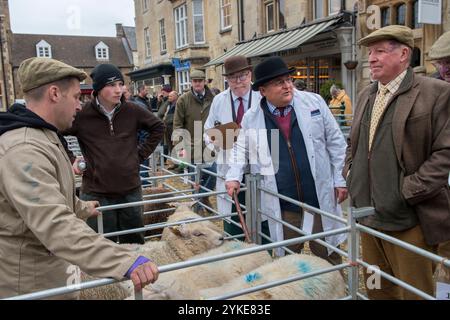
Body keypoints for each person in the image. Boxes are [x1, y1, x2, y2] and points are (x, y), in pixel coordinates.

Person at [0, 57, 159, 299]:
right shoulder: (25, 149)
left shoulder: (45, 137)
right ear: (54, 93)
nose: (79, 105)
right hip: (32, 284)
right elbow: (54, 223)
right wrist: (124, 261)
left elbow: (50, 197)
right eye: (76, 97)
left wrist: (82, 207)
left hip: (50, 274)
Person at [344, 25, 450, 300]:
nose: (372, 58)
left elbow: (445, 153)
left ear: (404, 54)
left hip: (409, 223)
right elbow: (353, 144)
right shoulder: (366, 94)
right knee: (378, 288)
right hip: (369, 220)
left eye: (380, 51)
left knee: (414, 293)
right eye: (370, 52)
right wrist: (351, 174)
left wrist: (407, 191)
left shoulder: (435, 93)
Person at [225, 57, 348, 264]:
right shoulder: (252, 117)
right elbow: (240, 150)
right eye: (279, 82)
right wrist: (233, 177)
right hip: (283, 204)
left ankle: (336, 292)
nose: (287, 86)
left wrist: (340, 179)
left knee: (328, 254)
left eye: (288, 80)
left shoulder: (314, 102)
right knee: (286, 260)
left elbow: (336, 143)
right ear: (263, 91)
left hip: (318, 198)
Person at [64, 63, 165, 245]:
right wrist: (71, 159)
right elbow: (55, 131)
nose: (118, 90)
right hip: (97, 193)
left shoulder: (132, 110)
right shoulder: (82, 115)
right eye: (111, 85)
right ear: (98, 88)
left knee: (134, 243)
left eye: (120, 84)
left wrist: (140, 155)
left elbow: (158, 127)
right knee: (99, 245)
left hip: (130, 190)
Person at [204, 55, 268, 240]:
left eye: (243, 76)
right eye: (233, 77)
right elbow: (208, 132)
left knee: (262, 222)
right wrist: (215, 141)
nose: (238, 81)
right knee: (233, 224)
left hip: (258, 169)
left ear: (250, 75)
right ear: (226, 79)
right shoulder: (219, 101)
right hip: (229, 168)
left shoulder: (261, 96)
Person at [173, 69, 215, 209]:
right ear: (191, 82)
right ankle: (197, 208)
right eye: (194, 81)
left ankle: (202, 198)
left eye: (200, 81)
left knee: (214, 173)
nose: (197, 83)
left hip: (211, 145)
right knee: (195, 179)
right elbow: (177, 125)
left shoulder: (213, 98)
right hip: (191, 145)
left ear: (204, 81)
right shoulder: (183, 100)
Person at [428, 30, 450, 259]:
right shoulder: (434, 91)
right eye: (441, 62)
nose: (445, 68)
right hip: (439, 185)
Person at [158, 90, 179, 168]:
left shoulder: (178, 104)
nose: (168, 97)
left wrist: (167, 120)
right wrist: (163, 101)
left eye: (170, 96)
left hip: (174, 127)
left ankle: (179, 164)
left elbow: (177, 117)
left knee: (176, 146)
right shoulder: (168, 104)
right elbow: (160, 112)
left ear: (175, 97)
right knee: (170, 146)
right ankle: (174, 162)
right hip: (167, 127)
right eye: (169, 96)